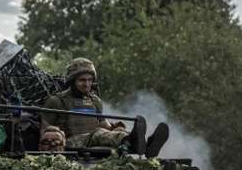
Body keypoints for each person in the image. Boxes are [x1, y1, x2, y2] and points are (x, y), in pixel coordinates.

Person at [40, 58, 169, 157]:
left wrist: (115, 128)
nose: (87, 84)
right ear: (72, 81)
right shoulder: (56, 102)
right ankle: (133, 140)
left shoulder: (94, 101)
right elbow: (44, 131)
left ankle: (146, 145)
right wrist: (54, 139)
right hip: (68, 143)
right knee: (97, 134)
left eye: (90, 80)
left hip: (93, 140)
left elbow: (103, 125)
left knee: (116, 132)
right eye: (82, 80)